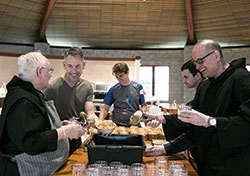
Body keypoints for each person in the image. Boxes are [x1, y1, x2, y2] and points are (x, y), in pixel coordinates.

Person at [145, 39, 250, 176]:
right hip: (207, 164)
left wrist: (209, 121)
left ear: (216, 56)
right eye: (195, 63)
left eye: (200, 61)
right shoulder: (205, 86)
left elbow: (246, 125)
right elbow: (195, 130)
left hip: (234, 166)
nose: (198, 67)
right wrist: (166, 148)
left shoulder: (243, 80)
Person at [0, 52, 84, 176]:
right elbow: (31, 142)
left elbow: (34, 126)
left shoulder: (31, 93)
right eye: (49, 70)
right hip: (22, 170)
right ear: (39, 71)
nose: (51, 75)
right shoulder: (22, 100)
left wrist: (58, 126)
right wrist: (64, 132)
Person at [44, 47, 99, 155]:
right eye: (70, 66)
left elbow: (90, 112)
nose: (74, 71)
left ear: (84, 65)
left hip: (77, 138)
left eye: (78, 66)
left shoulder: (87, 87)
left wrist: (97, 123)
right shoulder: (51, 87)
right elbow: (45, 118)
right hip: (59, 140)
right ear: (64, 65)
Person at [99, 62, 147, 126]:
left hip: (134, 124)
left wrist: (140, 112)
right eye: (117, 77)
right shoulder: (113, 89)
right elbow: (105, 109)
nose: (119, 79)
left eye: (121, 76)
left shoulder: (138, 87)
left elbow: (144, 105)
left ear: (127, 72)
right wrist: (100, 121)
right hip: (118, 125)